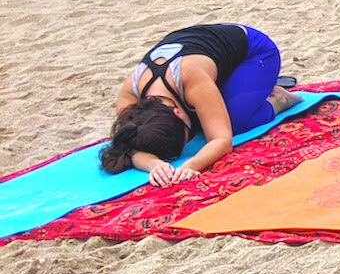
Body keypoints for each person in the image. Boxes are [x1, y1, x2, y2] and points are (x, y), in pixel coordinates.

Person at [103, 23, 296, 183]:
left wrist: (191, 165)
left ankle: (279, 98)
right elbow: (123, 145)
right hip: (204, 61)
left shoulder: (190, 77)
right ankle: (243, 89)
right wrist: (155, 164)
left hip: (255, 53)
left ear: (177, 112)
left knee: (235, 122)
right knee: (196, 121)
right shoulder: (131, 94)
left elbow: (222, 140)